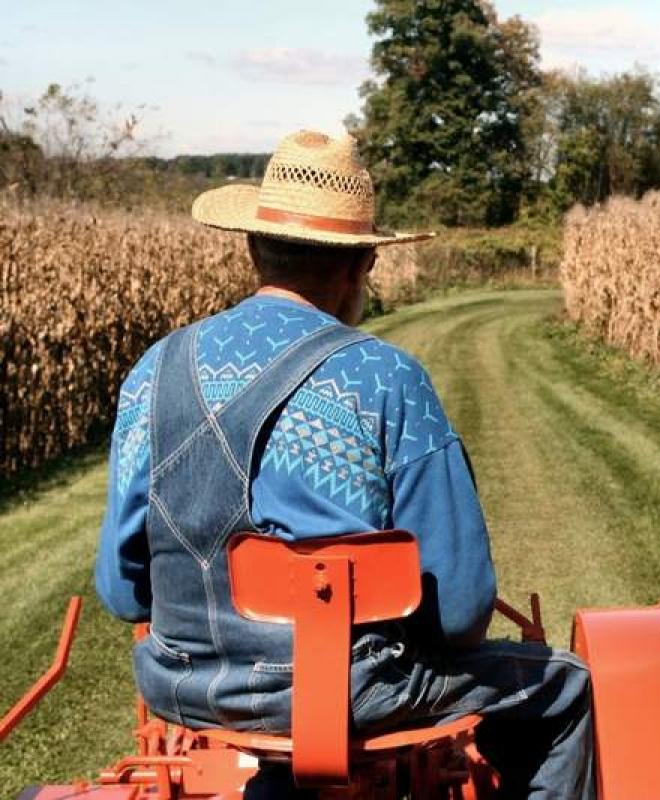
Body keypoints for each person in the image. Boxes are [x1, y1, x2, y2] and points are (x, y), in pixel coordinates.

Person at [93, 130, 594, 799]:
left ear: (253, 250)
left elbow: (121, 593)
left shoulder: (153, 373)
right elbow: (462, 612)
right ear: (362, 266)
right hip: (349, 695)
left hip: (183, 686)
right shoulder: (384, 379)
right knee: (566, 690)